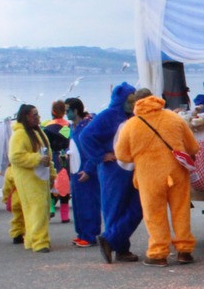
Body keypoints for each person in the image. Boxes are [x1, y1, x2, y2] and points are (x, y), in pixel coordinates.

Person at [115, 88, 201, 266]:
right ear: (154, 99)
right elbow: (193, 147)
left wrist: (140, 155)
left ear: (135, 103)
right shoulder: (174, 118)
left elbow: (122, 155)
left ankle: (158, 253)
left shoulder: (131, 125)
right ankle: (184, 251)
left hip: (149, 175)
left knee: (154, 214)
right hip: (177, 172)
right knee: (180, 211)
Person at [76, 83, 142, 264]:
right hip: (113, 170)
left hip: (131, 167)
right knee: (114, 209)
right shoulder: (108, 115)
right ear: (121, 99)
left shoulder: (132, 115)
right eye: (130, 98)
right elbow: (85, 136)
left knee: (138, 206)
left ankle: (111, 241)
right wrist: (100, 156)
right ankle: (121, 249)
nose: (133, 101)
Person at [8, 104, 55, 253]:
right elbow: (15, 156)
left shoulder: (39, 133)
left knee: (42, 210)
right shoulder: (20, 135)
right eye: (35, 115)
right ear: (26, 117)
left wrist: (52, 173)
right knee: (37, 210)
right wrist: (36, 159)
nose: (38, 117)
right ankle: (40, 242)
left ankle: (31, 239)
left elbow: (48, 155)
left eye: (38, 114)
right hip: (29, 180)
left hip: (42, 178)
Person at [65, 97, 99, 248]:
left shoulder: (87, 127)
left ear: (75, 110)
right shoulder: (72, 127)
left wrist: (89, 170)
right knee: (78, 203)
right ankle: (81, 233)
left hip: (85, 171)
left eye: (67, 111)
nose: (65, 113)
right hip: (74, 169)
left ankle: (90, 235)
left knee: (89, 203)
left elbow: (93, 150)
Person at [43, 100, 71, 223]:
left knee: (53, 182)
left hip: (53, 156)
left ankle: (51, 206)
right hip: (65, 156)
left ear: (52, 111)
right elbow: (67, 141)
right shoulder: (67, 126)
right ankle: (65, 216)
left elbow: (46, 145)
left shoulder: (48, 127)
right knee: (64, 183)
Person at [1, 165, 24, 244]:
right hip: (27, 196)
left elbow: (6, 187)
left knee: (17, 217)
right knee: (28, 217)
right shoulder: (27, 168)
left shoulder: (10, 170)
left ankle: (17, 234)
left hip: (16, 197)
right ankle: (29, 234)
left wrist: (5, 198)